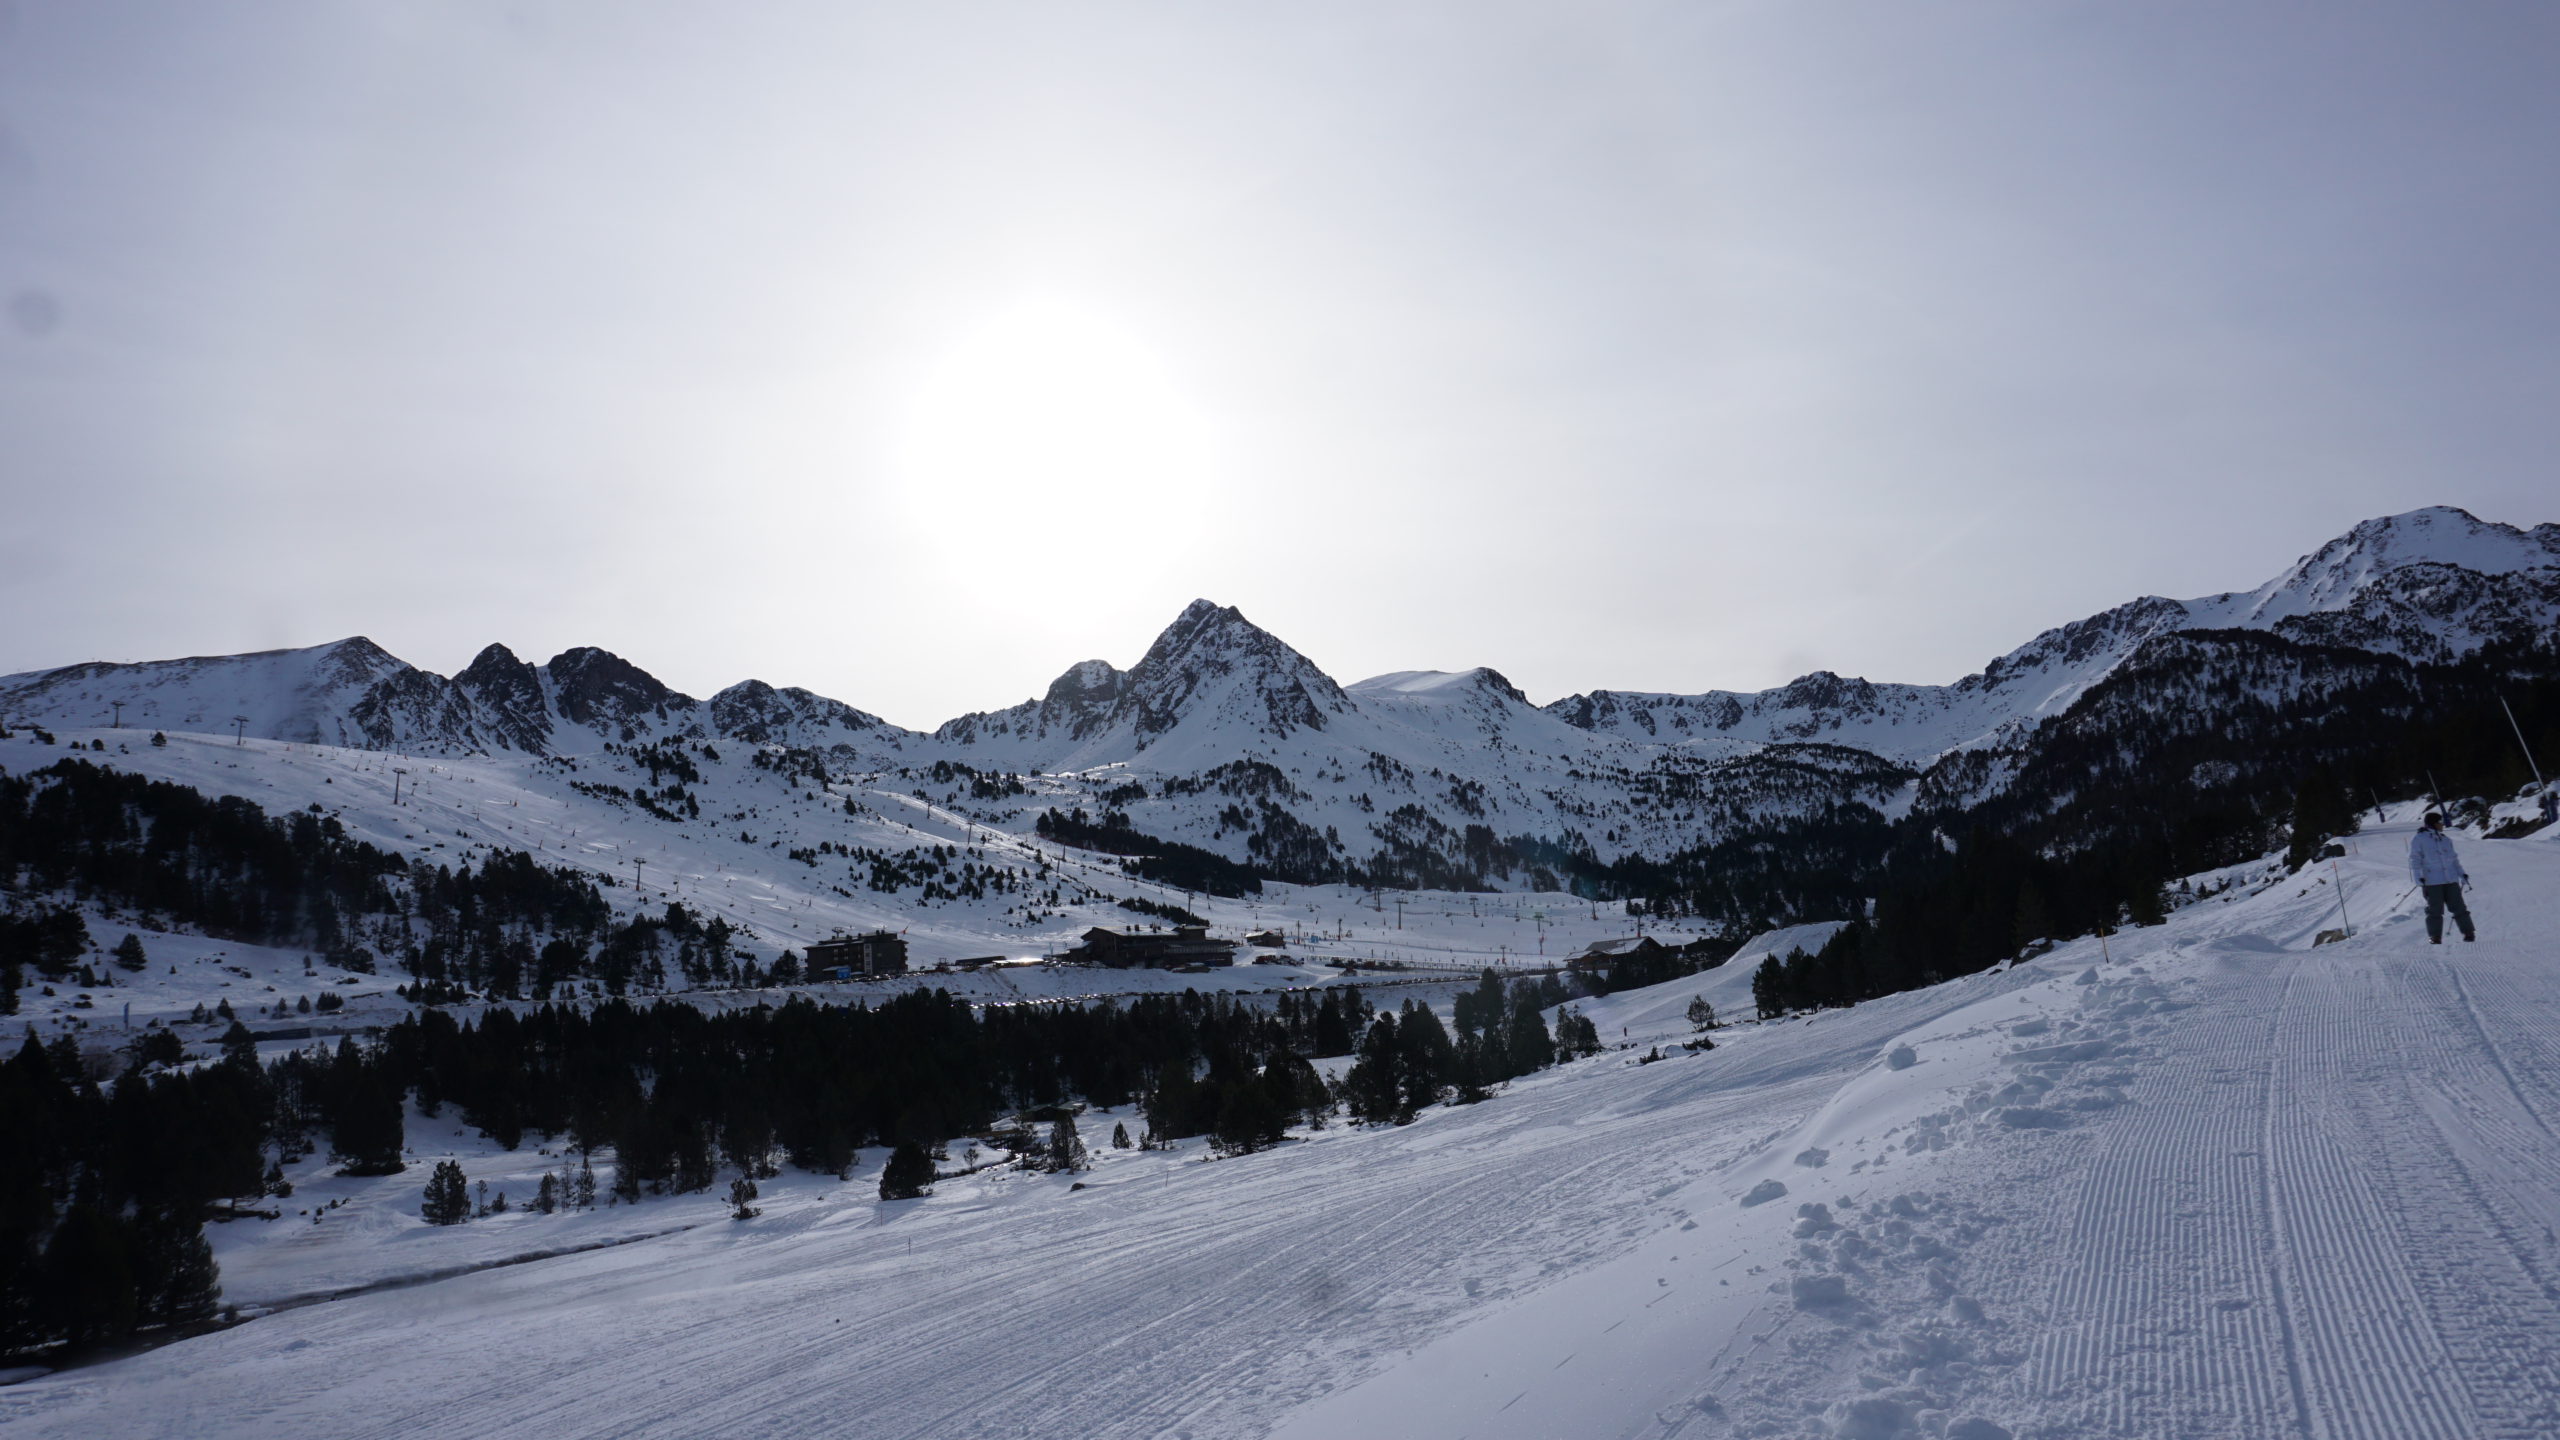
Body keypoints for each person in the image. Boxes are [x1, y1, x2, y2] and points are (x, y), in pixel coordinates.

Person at [2408, 812, 2476, 945]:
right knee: (2434, 910)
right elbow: (2414, 859)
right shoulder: (2419, 839)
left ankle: (2468, 932)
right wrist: (2418, 877)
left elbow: (2454, 860)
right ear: (2433, 823)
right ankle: (2435, 936)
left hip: (2450, 879)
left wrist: (2462, 874)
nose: (2443, 824)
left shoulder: (2445, 839)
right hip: (2432, 881)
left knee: (2459, 907)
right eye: (2440, 822)